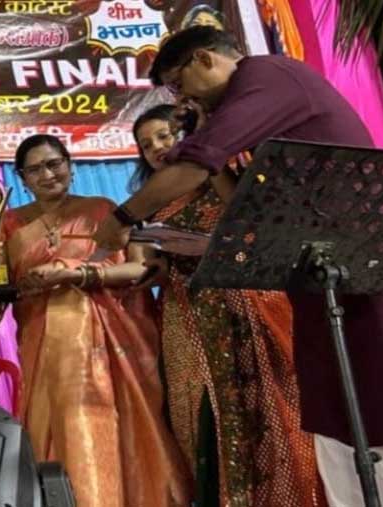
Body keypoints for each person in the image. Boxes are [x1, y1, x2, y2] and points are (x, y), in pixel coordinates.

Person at [94, 25, 383, 507]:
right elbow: (237, 198)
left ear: (204, 59)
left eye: (178, 86)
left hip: (375, 266)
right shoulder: (247, 105)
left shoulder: (269, 76)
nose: (182, 101)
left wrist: (122, 218)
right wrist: (206, 134)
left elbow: (197, 162)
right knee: (340, 417)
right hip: (315, 274)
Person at [0, 134, 193, 507]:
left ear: (70, 165)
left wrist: (77, 274)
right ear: (22, 177)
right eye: (35, 169)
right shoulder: (7, 225)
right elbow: (1, 283)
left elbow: (140, 268)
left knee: (111, 418)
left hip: (110, 346)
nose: (48, 174)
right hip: (44, 345)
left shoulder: (103, 210)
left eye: (54, 164)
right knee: (63, 423)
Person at [132, 104, 324, 506]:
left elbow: (245, 219)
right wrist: (155, 267)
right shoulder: (150, 203)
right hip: (186, 313)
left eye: (164, 136)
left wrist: (210, 159)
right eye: (146, 145)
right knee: (201, 411)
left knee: (270, 402)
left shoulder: (225, 176)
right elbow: (153, 262)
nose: (157, 148)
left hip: (246, 303)